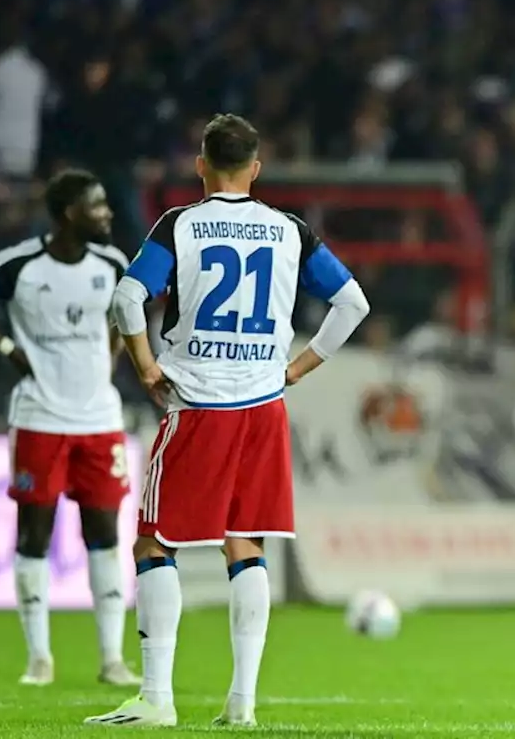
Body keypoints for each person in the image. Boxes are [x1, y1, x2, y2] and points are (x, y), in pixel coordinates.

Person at [86, 114, 370, 728]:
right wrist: (299, 367)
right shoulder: (290, 230)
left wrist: (143, 365)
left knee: (154, 542)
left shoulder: (180, 224)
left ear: (201, 165)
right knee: (245, 546)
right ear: (257, 168)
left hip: (198, 406)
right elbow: (353, 303)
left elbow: (128, 296)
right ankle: (241, 703)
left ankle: (157, 698)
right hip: (263, 407)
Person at [0, 169, 139, 688]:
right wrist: (6, 348)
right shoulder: (19, 264)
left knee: (104, 535)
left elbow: (126, 317)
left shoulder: (113, 264)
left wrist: (113, 355)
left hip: (99, 420)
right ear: (70, 213)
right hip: (40, 419)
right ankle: (39, 658)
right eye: (98, 206)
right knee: (34, 535)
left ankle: (112, 659)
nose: (108, 215)